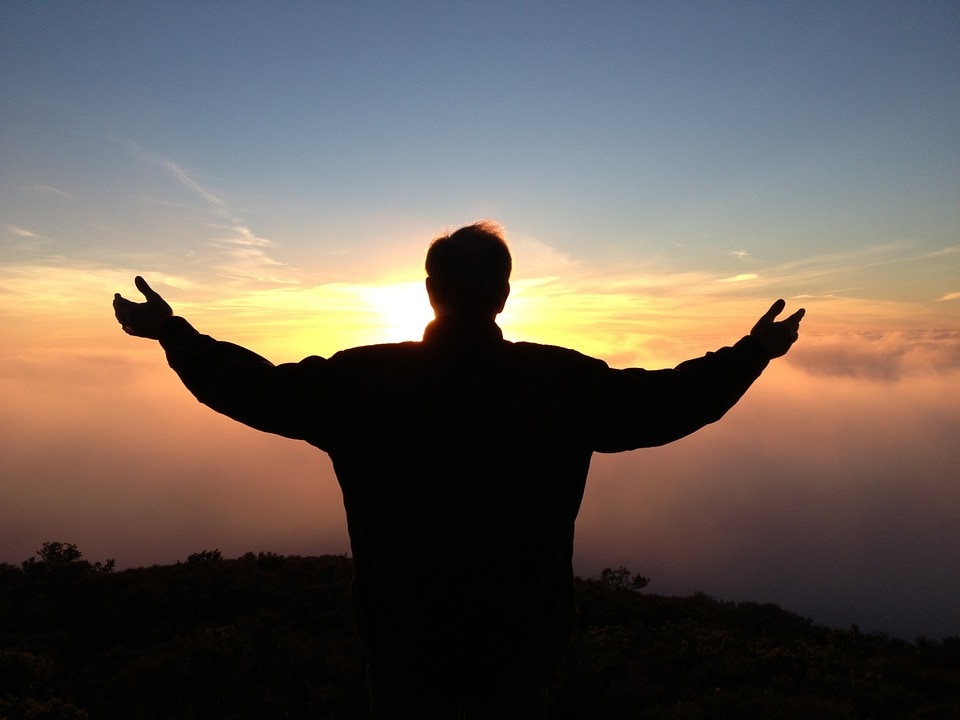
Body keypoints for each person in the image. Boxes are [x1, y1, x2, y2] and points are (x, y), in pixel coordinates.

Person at [113, 221, 804, 719]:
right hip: (517, 663)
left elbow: (251, 388)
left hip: (405, 663)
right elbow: (673, 402)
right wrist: (753, 352)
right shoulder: (559, 383)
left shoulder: (363, 383)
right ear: (502, 296)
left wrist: (172, 332)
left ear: (430, 291)